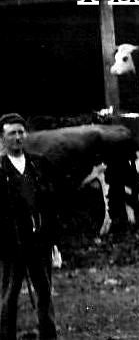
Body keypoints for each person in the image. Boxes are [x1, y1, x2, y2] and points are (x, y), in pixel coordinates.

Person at [0, 113, 58, 340]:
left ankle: (49, 336)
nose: (17, 137)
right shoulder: (1, 169)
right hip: (11, 244)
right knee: (9, 295)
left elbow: (51, 203)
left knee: (44, 292)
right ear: (2, 138)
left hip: (39, 241)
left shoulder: (39, 164)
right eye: (11, 133)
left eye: (20, 132)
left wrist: (53, 239)